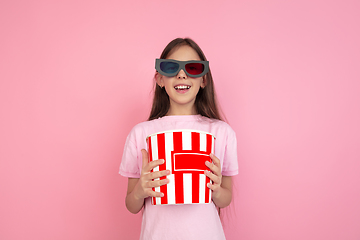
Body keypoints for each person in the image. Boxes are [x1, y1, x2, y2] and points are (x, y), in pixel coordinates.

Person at [119, 38, 238, 240]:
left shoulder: (221, 132)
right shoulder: (140, 134)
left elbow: (225, 199)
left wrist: (216, 189)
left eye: (192, 68)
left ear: (204, 80)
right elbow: (131, 204)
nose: (182, 74)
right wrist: (140, 190)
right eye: (171, 67)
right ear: (159, 79)